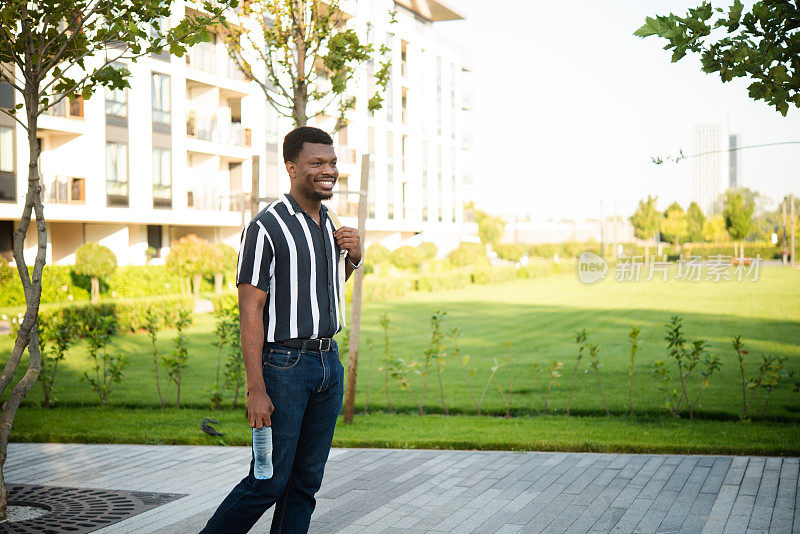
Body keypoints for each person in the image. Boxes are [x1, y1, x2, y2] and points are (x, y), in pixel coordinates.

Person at [200, 126, 362, 534]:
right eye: (316, 163)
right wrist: (257, 389)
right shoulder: (266, 227)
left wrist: (353, 259)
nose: (329, 170)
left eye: (332, 162)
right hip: (285, 368)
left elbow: (319, 292)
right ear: (291, 167)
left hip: (328, 365)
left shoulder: (330, 224)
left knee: (305, 485)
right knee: (267, 481)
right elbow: (251, 309)